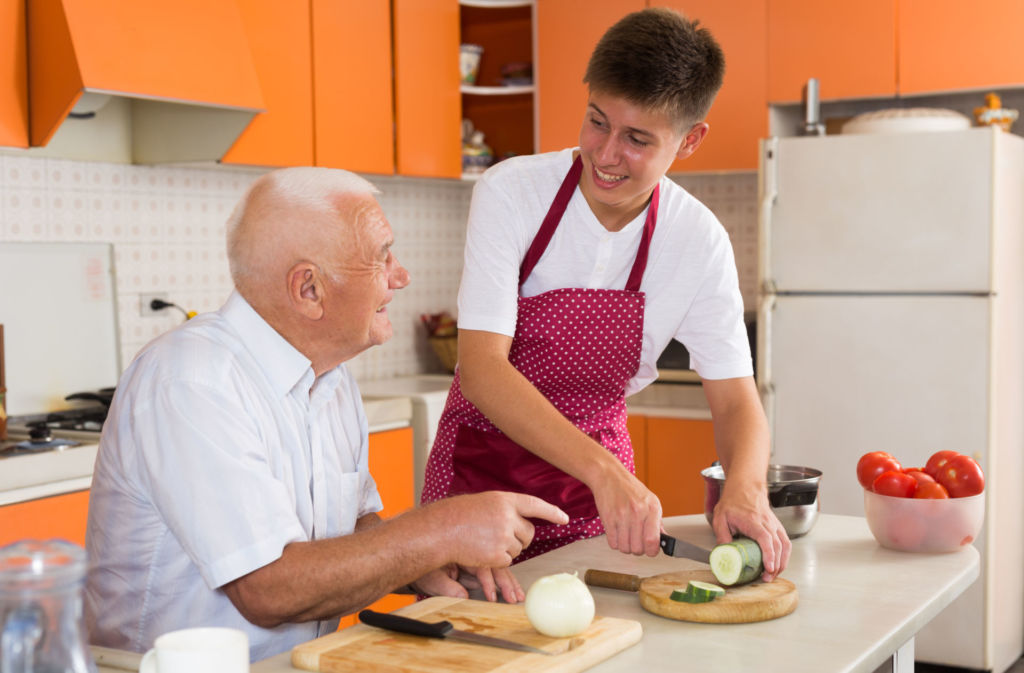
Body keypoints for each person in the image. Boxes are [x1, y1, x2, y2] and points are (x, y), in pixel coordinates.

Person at [84, 167, 568, 661]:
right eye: (383, 258)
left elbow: (353, 528)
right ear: (308, 290)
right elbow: (268, 589)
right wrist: (442, 529)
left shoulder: (331, 380)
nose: (401, 276)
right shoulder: (191, 380)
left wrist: (422, 562)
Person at [421, 7, 790, 580]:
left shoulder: (697, 240)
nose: (606, 153)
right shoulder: (512, 192)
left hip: (596, 504)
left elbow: (737, 400)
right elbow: (482, 369)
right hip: (479, 481)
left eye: (637, 139)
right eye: (597, 121)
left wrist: (744, 488)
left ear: (690, 140)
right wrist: (606, 474)